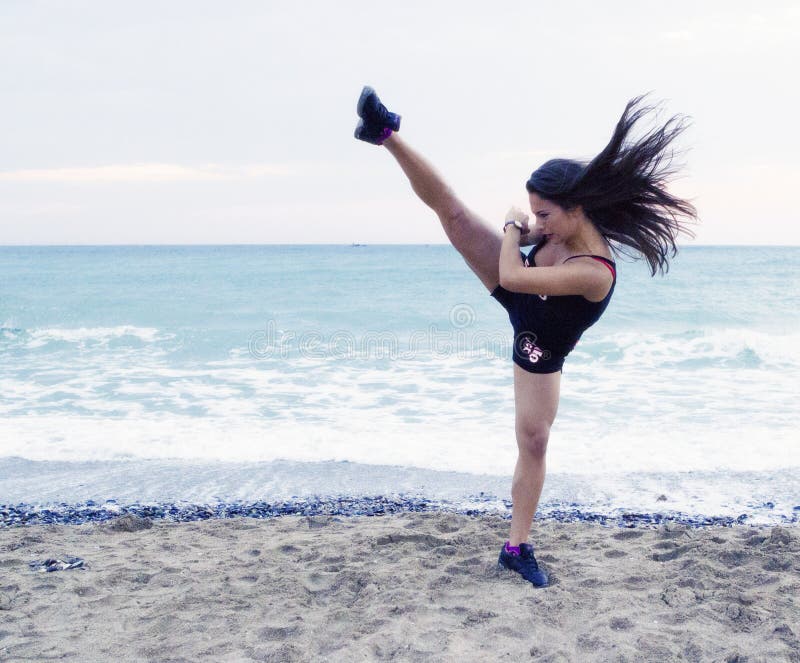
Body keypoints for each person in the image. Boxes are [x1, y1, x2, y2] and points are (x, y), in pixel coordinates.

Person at [354, 86, 697, 587]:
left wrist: (515, 229)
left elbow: (513, 276)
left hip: (540, 345)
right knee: (451, 213)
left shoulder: (595, 271)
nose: (539, 221)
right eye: (535, 212)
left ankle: (516, 547)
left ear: (576, 209)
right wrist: (534, 234)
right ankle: (385, 132)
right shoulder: (558, 231)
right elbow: (518, 269)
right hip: (522, 288)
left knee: (533, 441)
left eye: (546, 214)